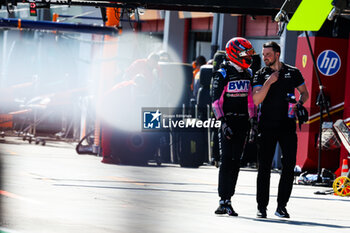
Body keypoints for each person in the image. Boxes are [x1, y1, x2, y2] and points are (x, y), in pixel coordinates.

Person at [252, 41, 309, 218]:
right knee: (264, 168)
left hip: (287, 126)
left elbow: (305, 92)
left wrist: (299, 103)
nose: (264, 57)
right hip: (267, 126)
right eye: (263, 54)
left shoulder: (293, 72)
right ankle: (262, 207)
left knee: (289, 166)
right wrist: (269, 82)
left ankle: (281, 206)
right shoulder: (260, 74)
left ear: (277, 54)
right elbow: (256, 100)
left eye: (268, 54)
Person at [211, 37, 256, 216]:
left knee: (236, 162)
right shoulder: (222, 73)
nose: (248, 57)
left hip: (243, 123)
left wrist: (254, 121)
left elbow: (251, 100)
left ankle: (229, 200)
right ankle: (222, 200)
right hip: (227, 122)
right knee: (226, 161)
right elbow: (215, 102)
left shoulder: (249, 73)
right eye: (245, 53)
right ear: (234, 53)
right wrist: (222, 122)